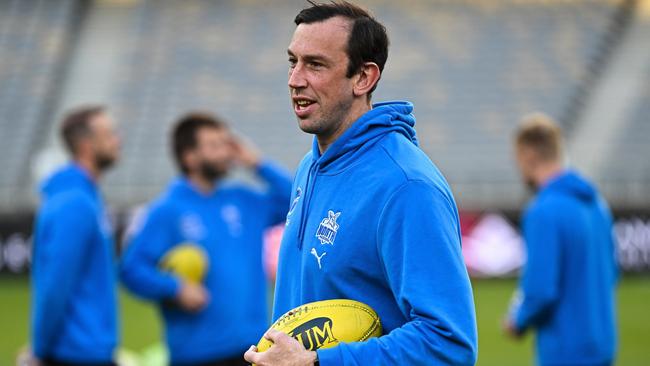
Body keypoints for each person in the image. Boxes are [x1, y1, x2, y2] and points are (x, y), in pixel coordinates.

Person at [244, 2, 478, 365]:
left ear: (364, 78)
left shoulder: (407, 186)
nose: (295, 79)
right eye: (293, 62)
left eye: (315, 64)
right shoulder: (310, 167)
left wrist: (317, 362)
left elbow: (449, 343)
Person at [120, 113, 292, 366]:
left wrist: (257, 163)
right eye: (215, 145)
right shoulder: (167, 210)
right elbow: (131, 270)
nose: (226, 152)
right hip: (196, 354)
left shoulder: (242, 200)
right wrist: (175, 288)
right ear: (190, 157)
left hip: (253, 347)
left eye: (227, 143)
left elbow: (295, 200)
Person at [504, 113, 618, 366]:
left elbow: (541, 289)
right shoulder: (598, 205)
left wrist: (518, 319)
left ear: (528, 155)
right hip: (603, 344)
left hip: (566, 351)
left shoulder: (543, 211)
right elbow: (611, 273)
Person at [31, 106, 121, 365]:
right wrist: (40, 351)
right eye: (110, 133)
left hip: (88, 350)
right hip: (75, 354)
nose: (118, 140)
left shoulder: (85, 196)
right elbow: (56, 283)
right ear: (86, 144)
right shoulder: (75, 202)